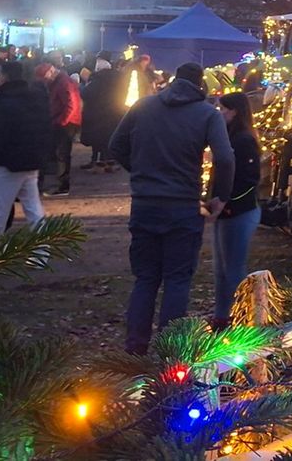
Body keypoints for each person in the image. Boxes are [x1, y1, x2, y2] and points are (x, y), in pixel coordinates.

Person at [109, 62, 234, 355]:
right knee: (177, 280)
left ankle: (135, 347)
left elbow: (116, 144)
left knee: (145, 278)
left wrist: (140, 171)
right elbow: (225, 158)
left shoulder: (143, 106)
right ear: (200, 85)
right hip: (182, 206)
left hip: (145, 204)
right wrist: (220, 196)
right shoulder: (207, 114)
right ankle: (169, 352)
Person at [0, 61, 51, 246]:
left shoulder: (5, 101)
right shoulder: (34, 97)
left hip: (6, 163)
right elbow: (45, 130)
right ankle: (41, 252)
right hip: (30, 160)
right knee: (33, 208)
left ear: (6, 77)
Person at [211, 92, 261, 331]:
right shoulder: (228, 138)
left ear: (236, 112)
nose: (220, 114)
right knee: (221, 268)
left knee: (233, 269)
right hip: (225, 211)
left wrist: (227, 202)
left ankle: (239, 318)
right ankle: (221, 316)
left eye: (224, 110)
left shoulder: (243, 141)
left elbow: (248, 180)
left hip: (238, 212)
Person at [35, 62, 82, 196]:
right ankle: (61, 184)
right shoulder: (61, 81)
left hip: (65, 123)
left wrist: (62, 121)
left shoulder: (63, 83)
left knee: (62, 154)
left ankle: (63, 186)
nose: (44, 80)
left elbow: (71, 105)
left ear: (50, 72)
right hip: (64, 121)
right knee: (60, 154)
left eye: (44, 77)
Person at [79, 56, 124, 171]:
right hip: (114, 111)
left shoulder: (97, 79)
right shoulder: (119, 78)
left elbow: (86, 94)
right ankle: (108, 161)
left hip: (97, 113)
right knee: (108, 137)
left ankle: (97, 161)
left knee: (97, 138)